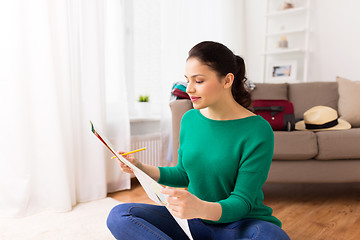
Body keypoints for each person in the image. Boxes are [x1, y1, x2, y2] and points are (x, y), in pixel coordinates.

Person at [106, 41, 291, 240]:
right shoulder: (190, 120)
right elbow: (183, 174)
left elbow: (242, 201)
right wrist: (139, 167)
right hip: (192, 222)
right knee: (120, 215)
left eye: (199, 81)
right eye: (187, 80)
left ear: (227, 80)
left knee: (273, 237)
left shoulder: (257, 130)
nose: (189, 89)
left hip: (240, 224)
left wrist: (200, 208)